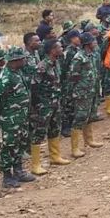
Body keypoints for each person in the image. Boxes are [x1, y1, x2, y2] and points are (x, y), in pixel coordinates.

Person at [0, 46, 37, 189]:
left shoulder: (17, 72)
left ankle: (19, 170)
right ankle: (7, 176)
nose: (25, 60)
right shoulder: (6, 76)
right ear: (15, 60)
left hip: (21, 116)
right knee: (9, 145)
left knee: (20, 143)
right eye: (22, 59)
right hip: (10, 119)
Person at [30, 39, 71, 176]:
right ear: (52, 50)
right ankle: (36, 164)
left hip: (55, 103)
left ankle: (55, 157)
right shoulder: (42, 66)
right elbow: (34, 87)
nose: (61, 49)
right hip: (44, 105)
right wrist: (38, 106)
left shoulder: (56, 63)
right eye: (59, 47)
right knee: (39, 133)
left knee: (55, 129)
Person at [68, 33, 103, 156]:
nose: (95, 43)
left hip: (92, 90)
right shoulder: (79, 57)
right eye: (93, 41)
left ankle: (89, 140)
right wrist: (79, 89)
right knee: (80, 117)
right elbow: (73, 76)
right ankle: (75, 148)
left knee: (90, 115)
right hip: (82, 92)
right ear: (87, 43)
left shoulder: (92, 55)